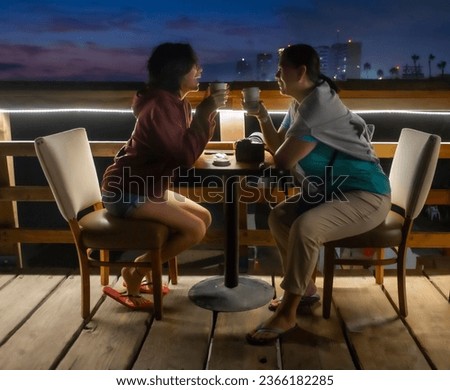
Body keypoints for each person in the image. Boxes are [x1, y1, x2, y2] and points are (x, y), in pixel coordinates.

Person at [244, 44, 391, 345]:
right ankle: (306, 289)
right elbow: (280, 147)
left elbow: (283, 161)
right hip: (332, 191)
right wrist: (261, 116)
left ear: (299, 72)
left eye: (280, 67)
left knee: (305, 227)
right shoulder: (302, 102)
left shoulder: (316, 108)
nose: (275, 74)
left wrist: (268, 157)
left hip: (365, 194)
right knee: (280, 216)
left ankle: (288, 312)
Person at [101, 42, 229, 309]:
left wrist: (205, 114)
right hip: (127, 191)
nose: (200, 70)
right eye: (195, 66)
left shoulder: (175, 102)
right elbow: (184, 156)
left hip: (147, 188)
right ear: (179, 70)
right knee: (194, 229)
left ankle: (143, 268)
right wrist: (205, 113)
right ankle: (136, 272)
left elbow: (184, 149)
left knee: (205, 217)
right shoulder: (160, 104)